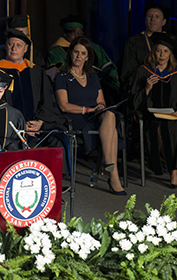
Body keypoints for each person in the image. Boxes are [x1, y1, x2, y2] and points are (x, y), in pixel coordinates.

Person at [54, 36, 127, 195]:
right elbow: (63, 105)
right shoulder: (62, 76)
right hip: (76, 117)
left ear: (88, 57)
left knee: (109, 114)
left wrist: (100, 107)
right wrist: (87, 110)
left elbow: (101, 101)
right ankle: (112, 173)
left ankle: (109, 164)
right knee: (112, 127)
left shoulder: (93, 77)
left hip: (95, 115)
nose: (79, 56)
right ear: (70, 53)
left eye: (83, 53)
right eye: (76, 52)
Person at [129, 32, 177, 188]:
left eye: (165, 51)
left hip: (173, 116)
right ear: (153, 52)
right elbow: (132, 102)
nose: (162, 54)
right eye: (158, 50)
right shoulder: (143, 72)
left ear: (170, 53)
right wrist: (147, 88)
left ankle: (173, 171)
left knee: (175, 128)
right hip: (151, 116)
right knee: (158, 129)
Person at [0, 28, 66, 136]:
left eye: (19, 45)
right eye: (10, 44)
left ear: (26, 49)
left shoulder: (36, 72)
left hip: (37, 127)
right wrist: (20, 126)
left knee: (59, 138)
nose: (14, 48)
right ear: (5, 46)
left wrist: (40, 122)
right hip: (9, 128)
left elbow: (48, 102)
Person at [46, 14, 120, 105]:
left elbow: (107, 65)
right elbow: (55, 73)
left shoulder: (94, 47)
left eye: (79, 32)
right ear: (65, 33)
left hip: (96, 82)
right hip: (71, 86)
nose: (76, 35)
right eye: (73, 32)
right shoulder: (56, 50)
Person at [118, 0, 177, 93]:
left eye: (157, 16)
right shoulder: (133, 42)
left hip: (171, 90)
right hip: (142, 89)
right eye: (149, 16)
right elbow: (127, 72)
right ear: (145, 19)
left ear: (164, 21)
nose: (153, 19)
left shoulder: (174, 42)